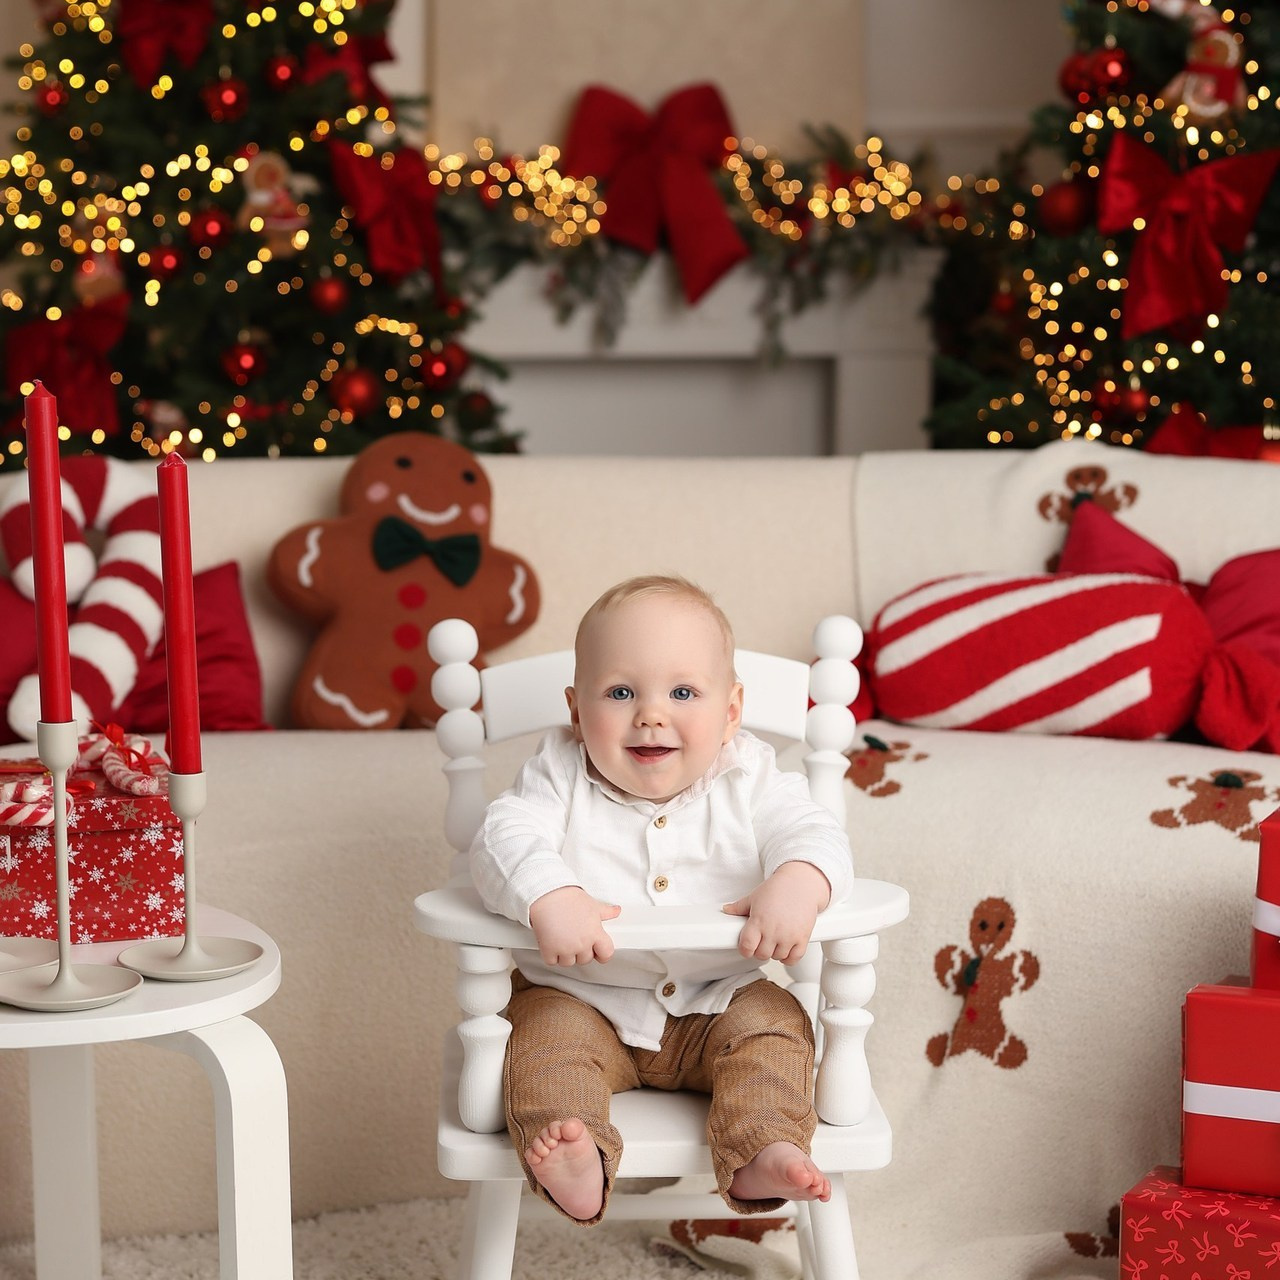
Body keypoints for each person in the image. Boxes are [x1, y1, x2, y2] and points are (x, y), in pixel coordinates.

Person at [469, 575, 854, 1225]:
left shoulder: (751, 774)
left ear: (731, 711)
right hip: (580, 997)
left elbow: (815, 832)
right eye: (621, 692)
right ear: (576, 710)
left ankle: (763, 1144)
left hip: (720, 1000)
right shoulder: (558, 771)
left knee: (775, 1027)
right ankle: (576, 1150)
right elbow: (501, 837)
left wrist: (798, 879)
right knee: (542, 1049)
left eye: (682, 692)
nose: (650, 714)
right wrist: (549, 892)